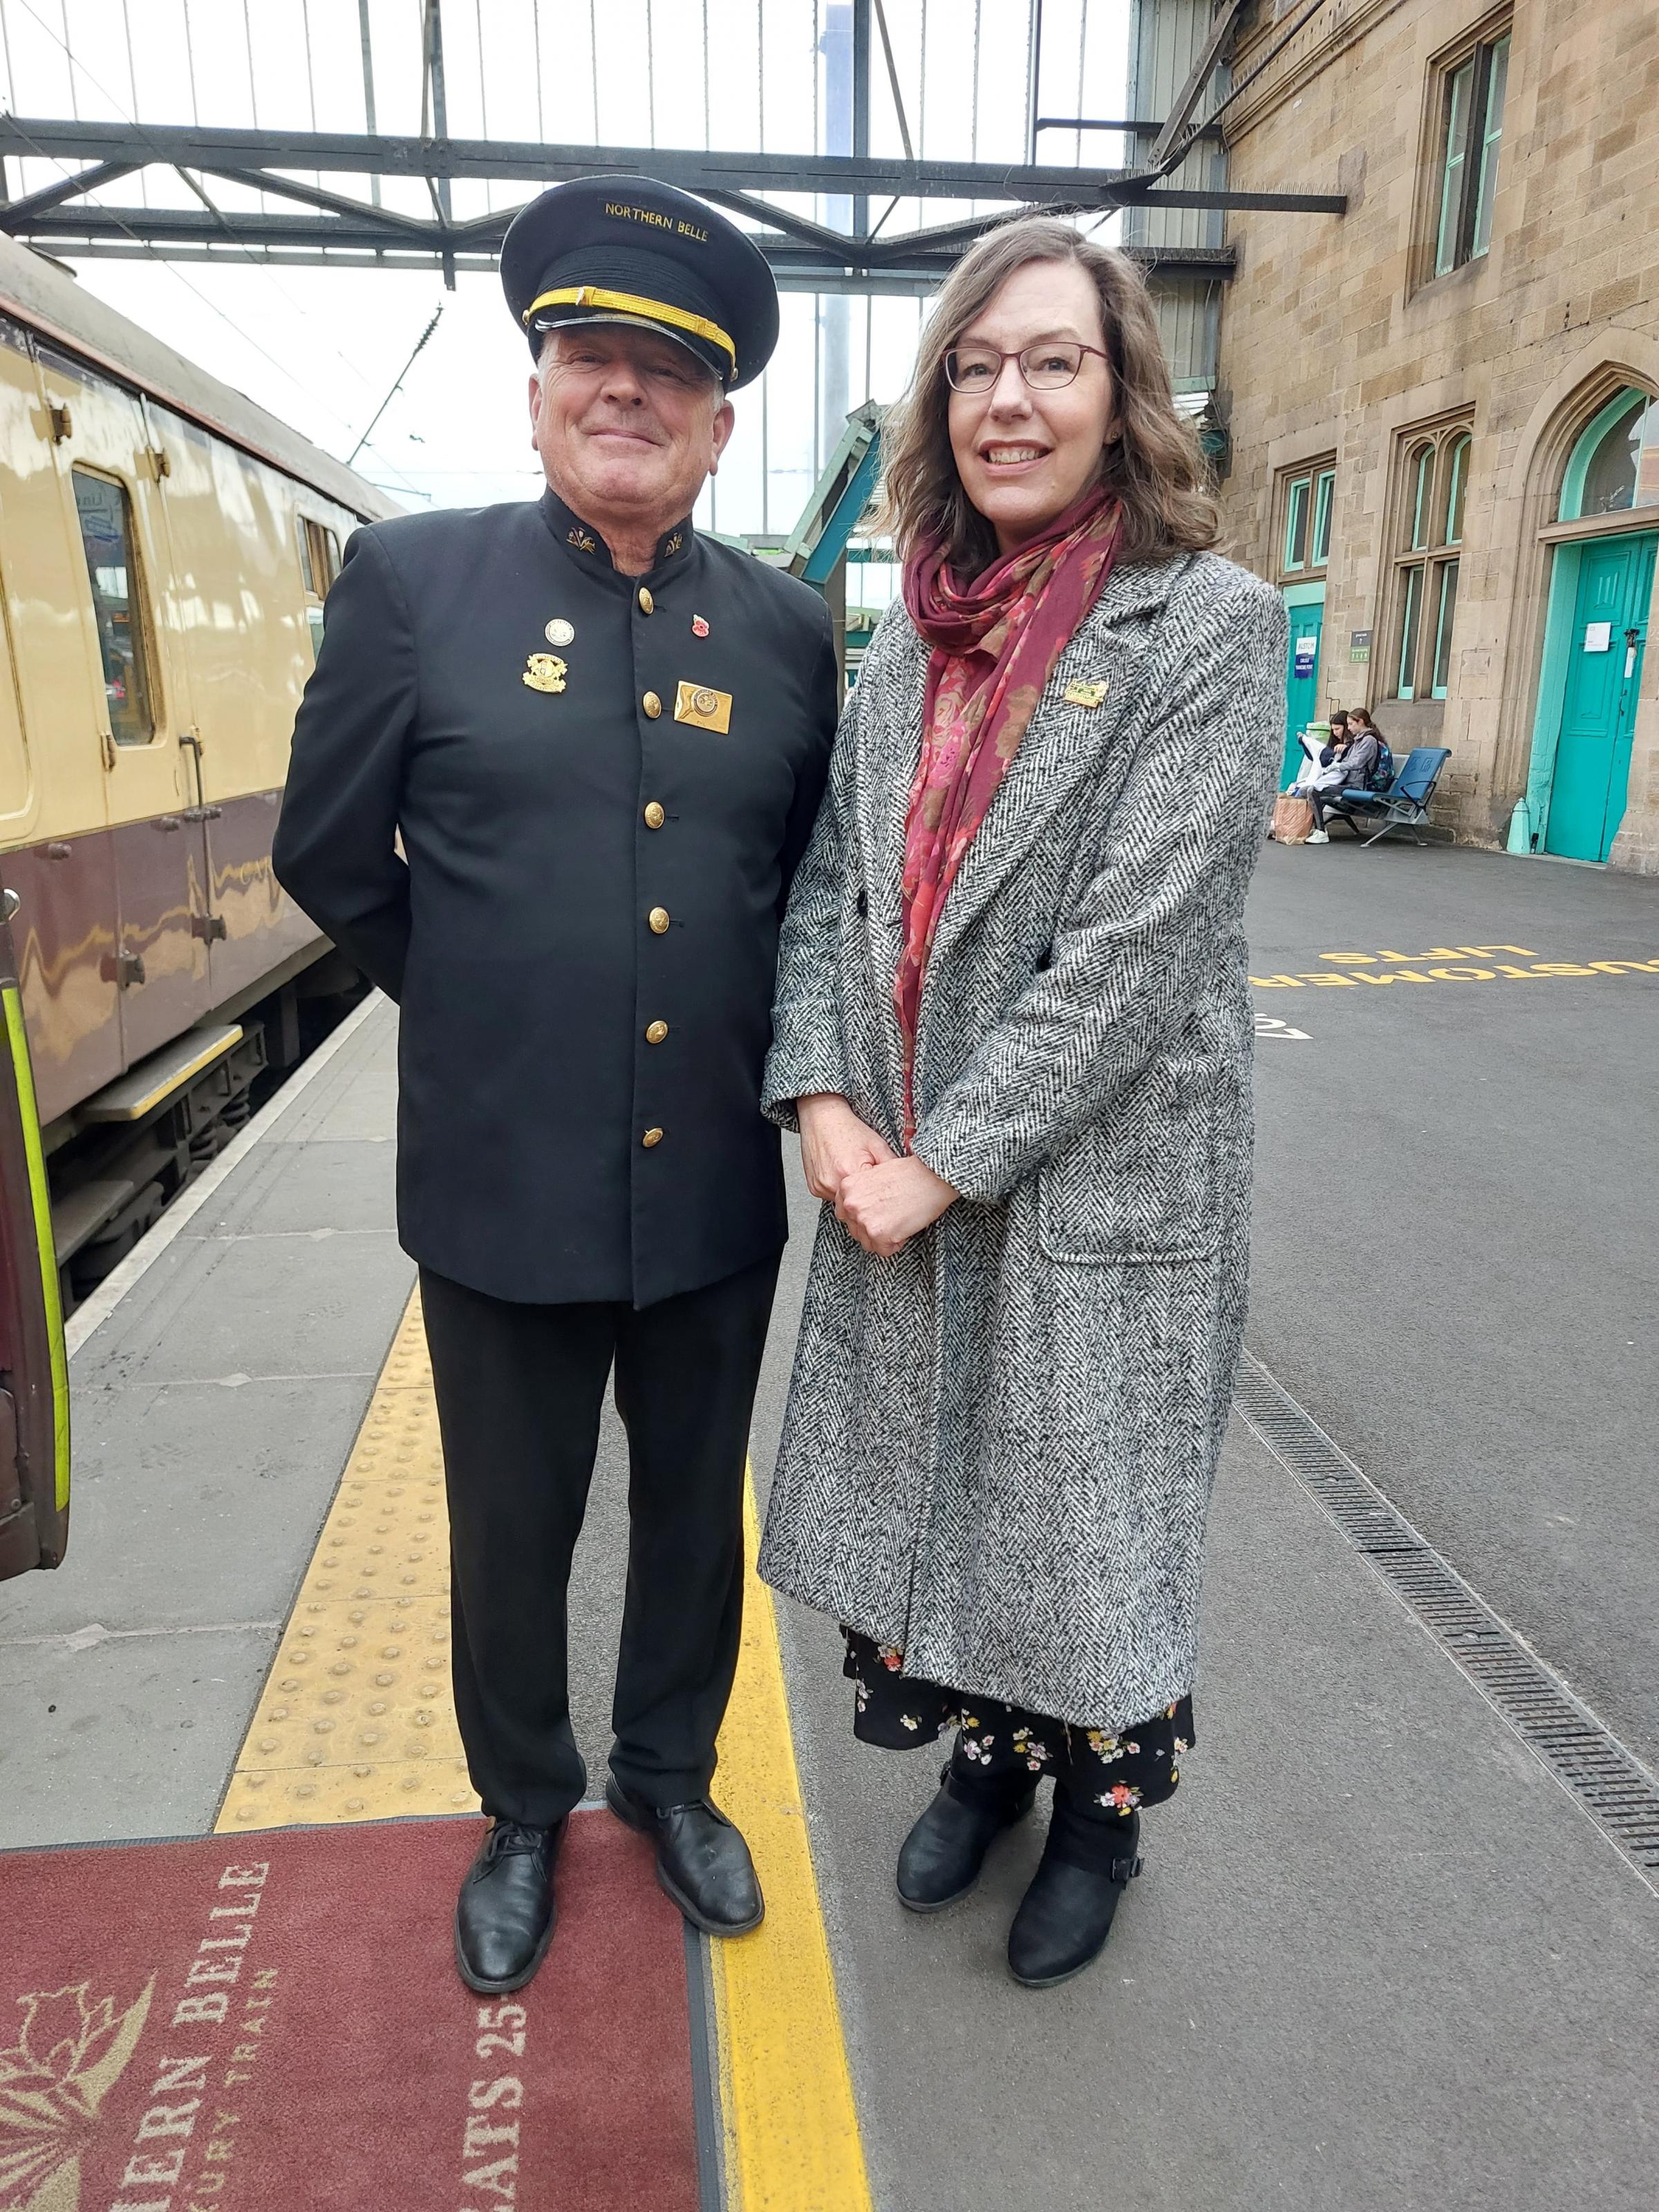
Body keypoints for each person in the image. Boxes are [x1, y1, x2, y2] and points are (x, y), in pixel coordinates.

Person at [272, 176, 838, 1994]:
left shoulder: (783, 631)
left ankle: (670, 1778)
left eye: (667, 372)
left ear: (717, 421)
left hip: (706, 1203)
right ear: (536, 389)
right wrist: (484, 1010)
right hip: (496, 1186)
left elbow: (808, 885)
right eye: (589, 354)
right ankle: (523, 1807)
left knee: (694, 1519)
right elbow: (330, 851)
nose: (624, 391)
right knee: (513, 1532)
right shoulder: (416, 584)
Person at [758, 218, 1286, 1990]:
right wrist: (823, 1101)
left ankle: (1098, 1819)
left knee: (1085, 1521)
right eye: (976, 366)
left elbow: (1139, 953)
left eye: (1050, 362)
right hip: (893, 1154)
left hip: (1086, 1180)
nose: (1008, 399)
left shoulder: (1204, 623)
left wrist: (940, 1165)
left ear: (1118, 393)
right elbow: (836, 881)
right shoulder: (905, 631)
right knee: (952, 1494)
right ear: (940, 402)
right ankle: (988, 1758)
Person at [1307, 709, 1381, 839]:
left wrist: (1338, 766)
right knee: (1307, 790)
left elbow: (1356, 763)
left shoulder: (1369, 741)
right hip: (1347, 783)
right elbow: (1349, 761)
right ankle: (1307, 827)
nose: (1349, 728)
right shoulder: (1359, 741)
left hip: (1355, 786)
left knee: (1314, 791)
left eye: (1351, 724)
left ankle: (1321, 831)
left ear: (1361, 722)